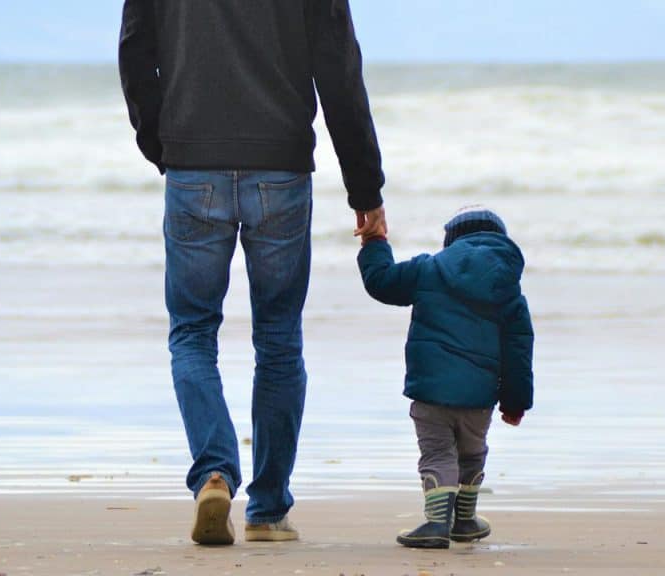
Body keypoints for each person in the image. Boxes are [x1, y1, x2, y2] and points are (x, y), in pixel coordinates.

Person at [118, 0, 386, 545]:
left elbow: (134, 53)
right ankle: (266, 510)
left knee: (193, 334)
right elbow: (338, 68)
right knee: (279, 339)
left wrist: (162, 143)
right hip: (281, 167)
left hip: (193, 163)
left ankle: (215, 473)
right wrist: (365, 187)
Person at [356, 205, 534, 549]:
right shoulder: (507, 288)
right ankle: (464, 521)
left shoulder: (428, 270)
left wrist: (375, 240)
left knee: (437, 453)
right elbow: (519, 349)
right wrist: (515, 401)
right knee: (471, 453)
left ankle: (437, 522)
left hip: (431, 392)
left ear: (451, 241)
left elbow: (380, 281)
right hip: (479, 398)